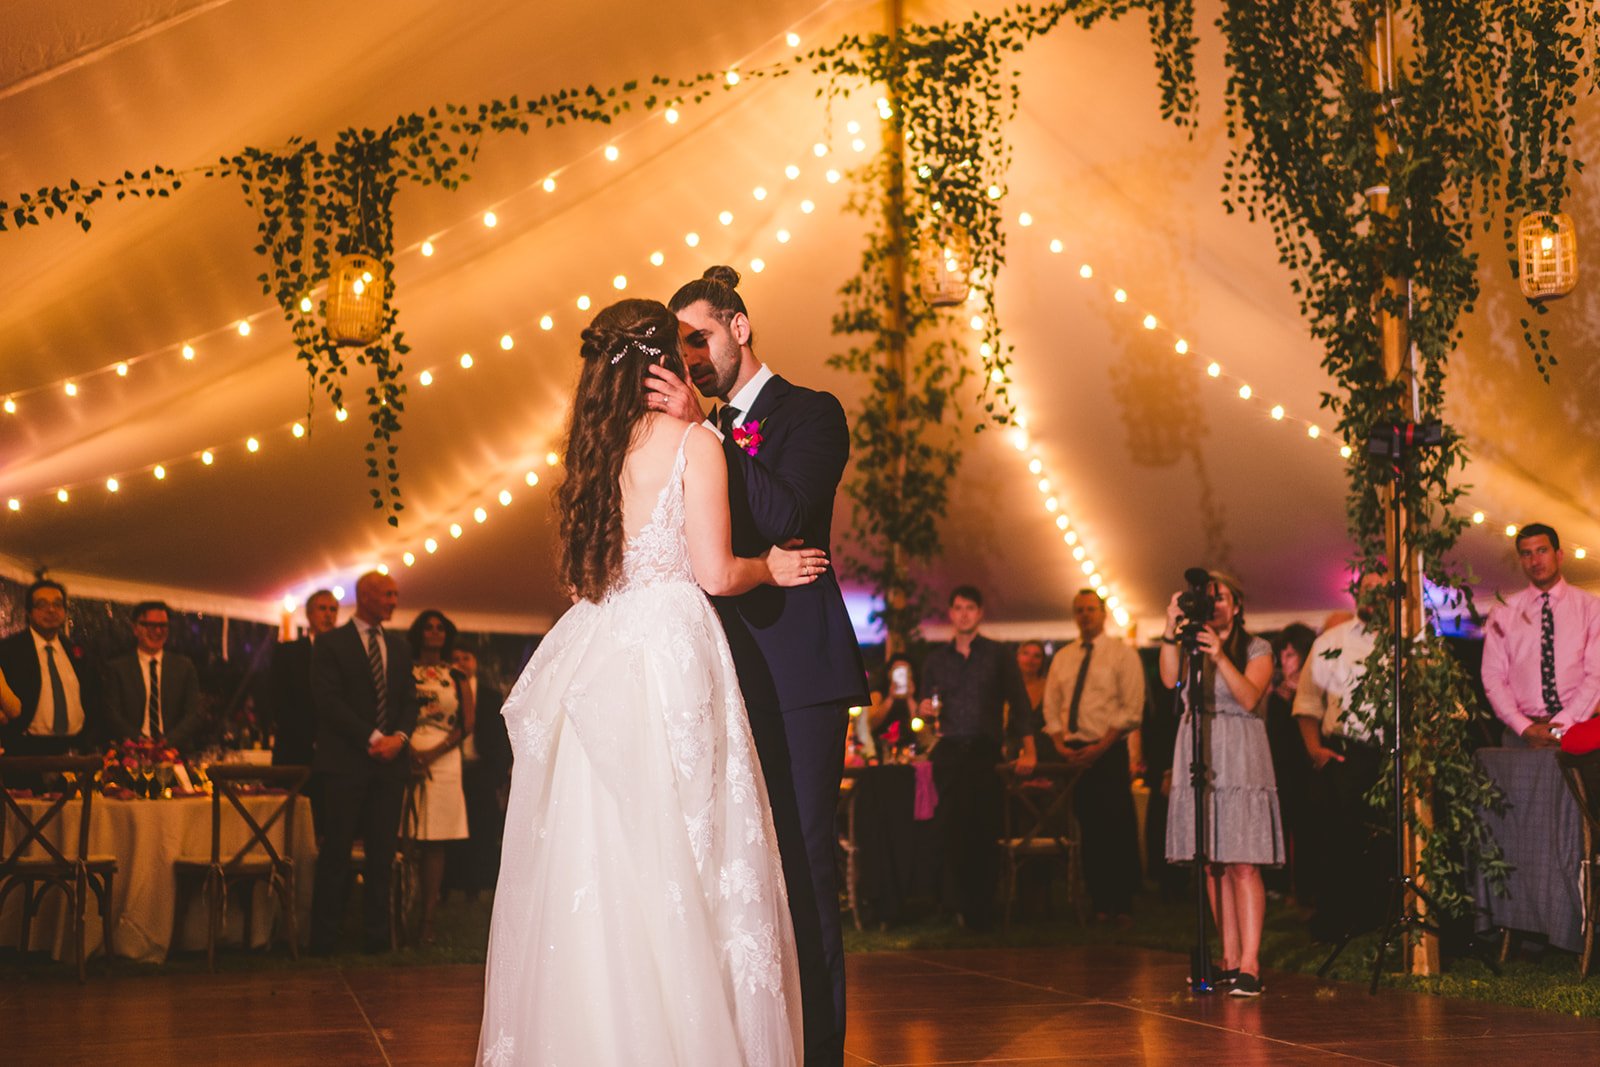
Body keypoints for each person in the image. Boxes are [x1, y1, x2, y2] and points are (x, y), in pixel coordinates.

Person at [479, 297, 825, 1066]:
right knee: (692, 843)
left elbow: (588, 576)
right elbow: (715, 572)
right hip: (672, 649)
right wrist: (768, 566)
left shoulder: (592, 453)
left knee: (604, 847)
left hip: (600, 646)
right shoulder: (695, 442)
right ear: (663, 359)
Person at [647, 265, 868, 1065]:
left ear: (738, 326)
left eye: (699, 337)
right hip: (714, 670)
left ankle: (821, 1049)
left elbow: (789, 517)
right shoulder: (690, 432)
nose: (690, 357)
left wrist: (706, 434)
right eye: (679, 346)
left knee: (801, 862)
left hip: (798, 675)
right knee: (731, 863)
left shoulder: (811, 412)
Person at [1159, 572, 1282, 997]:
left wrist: (1220, 656)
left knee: (1243, 861)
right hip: (1199, 750)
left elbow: (1249, 697)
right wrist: (1170, 628)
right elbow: (1169, 681)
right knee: (1212, 861)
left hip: (1241, 754)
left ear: (1238, 605)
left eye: (1222, 597)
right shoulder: (1189, 647)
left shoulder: (1257, 647)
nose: (1214, 605)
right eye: (1207, 598)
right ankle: (1228, 958)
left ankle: (1251, 963)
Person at [309, 570, 419, 955]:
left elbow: (410, 700)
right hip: (346, 763)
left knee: (382, 853)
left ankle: (377, 936)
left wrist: (399, 738)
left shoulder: (399, 647)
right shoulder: (331, 644)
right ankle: (325, 937)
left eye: (395, 595)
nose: (393, 602)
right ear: (366, 596)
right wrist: (372, 738)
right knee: (336, 851)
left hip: (390, 767)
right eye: (387, 594)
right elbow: (328, 701)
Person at [918, 585, 1038, 932]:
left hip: (985, 751)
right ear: (951, 613)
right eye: (958, 608)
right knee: (950, 830)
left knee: (984, 830)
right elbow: (923, 710)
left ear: (980, 612)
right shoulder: (936, 660)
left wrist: (1029, 749)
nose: (964, 614)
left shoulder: (999, 655)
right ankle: (953, 905)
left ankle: (982, 908)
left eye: (970, 607)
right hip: (948, 750)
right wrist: (923, 711)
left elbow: (1019, 703)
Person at [1294, 571, 1391, 940]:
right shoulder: (1331, 642)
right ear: (1356, 593)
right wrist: (1314, 749)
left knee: (1386, 841)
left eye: (1381, 590)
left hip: (1391, 756)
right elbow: (1307, 700)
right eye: (1367, 589)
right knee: (1342, 840)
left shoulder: (1406, 641)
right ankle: (1339, 920)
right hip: (1346, 755)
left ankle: (1382, 920)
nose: (1373, 596)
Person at [1042, 589, 1144, 922]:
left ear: (1103, 613)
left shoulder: (1121, 654)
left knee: (1116, 824)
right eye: (1079, 610)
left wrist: (1102, 746)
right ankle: (1099, 902)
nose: (1085, 615)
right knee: (1088, 827)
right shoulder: (1064, 657)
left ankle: (1122, 903)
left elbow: (1132, 706)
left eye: (1090, 609)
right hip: (1073, 752)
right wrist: (1059, 744)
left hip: (1108, 750)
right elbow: (1051, 705)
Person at [1482, 523, 1600, 747]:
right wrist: (1524, 727)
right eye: (1527, 554)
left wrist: (1561, 725)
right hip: (1522, 734)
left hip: (1580, 728)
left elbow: (1597, 674)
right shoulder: (1503, 612)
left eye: (1542, 551)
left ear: (1559, 555)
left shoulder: (1591, 608)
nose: (1535, 561)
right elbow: (1493, 676)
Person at [406, 609, 473, 943]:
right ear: (418, 633)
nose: (434, 633)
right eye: (428, 627)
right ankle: (399, 910)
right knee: (406, 836)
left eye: (440, 628)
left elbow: (467, 724)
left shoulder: (457, 677)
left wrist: (434, 753)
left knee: (435, 841)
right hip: (406, 753)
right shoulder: (404, 672)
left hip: (444, 759)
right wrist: (408, 750)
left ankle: (428, 919)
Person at [0, 579, 105, 755]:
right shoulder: (8, 651)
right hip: (25, 750)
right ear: (28, 611)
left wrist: (89, 740)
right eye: (42, 604)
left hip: (74, 748)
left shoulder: (77, 652)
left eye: (57, 604)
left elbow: (94, 699)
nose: (51, 610)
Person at [448, 643, 510, 898]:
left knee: (480, 827)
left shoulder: (490, 695)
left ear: (474, 662)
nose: (461, 663)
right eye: (456, 658)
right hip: (450, 767)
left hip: (481, 768)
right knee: (451, 827)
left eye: (466, 657)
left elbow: (499, 736)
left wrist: (498, 774)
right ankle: (448, 883)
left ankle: (475, 883)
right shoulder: (446, 691)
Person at [103, 600, 204, 750]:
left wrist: (167, 742)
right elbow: (112, 714)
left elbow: (193, 714)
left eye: (163, 626)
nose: (157, 631)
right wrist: (140, 741)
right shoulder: (118, 669)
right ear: (135, 628)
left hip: (175, 751)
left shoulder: (184, 667)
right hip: (130, 752)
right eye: (151, 626)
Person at [1264, 622, 1316, 902]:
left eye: (1291, 654)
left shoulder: (1315, 691)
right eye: (1282, 655)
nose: (1285, 662)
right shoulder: (1275, 696)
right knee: (1279, 826)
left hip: (1308, 772)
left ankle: (1307, 889)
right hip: (1279, 771)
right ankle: (1278, 884)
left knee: (1308, 829)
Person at [271, 589, 340, 771]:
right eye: (322, 608)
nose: (328, 614)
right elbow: (277, 700)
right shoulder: (288, 652)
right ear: (309, 614)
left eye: (333, 609)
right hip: (294, 751)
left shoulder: (345, 656)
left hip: (335, 754)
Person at [863, 653, 919, 759]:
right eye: (897, 671)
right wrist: (890, 698)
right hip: (881, 753)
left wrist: (910, 698)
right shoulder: (878, 696)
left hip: (908, 753)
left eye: (905, 671)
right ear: (889, 673)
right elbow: (870, 725)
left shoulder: (917, 697)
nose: (901, 675)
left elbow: (920, 728)